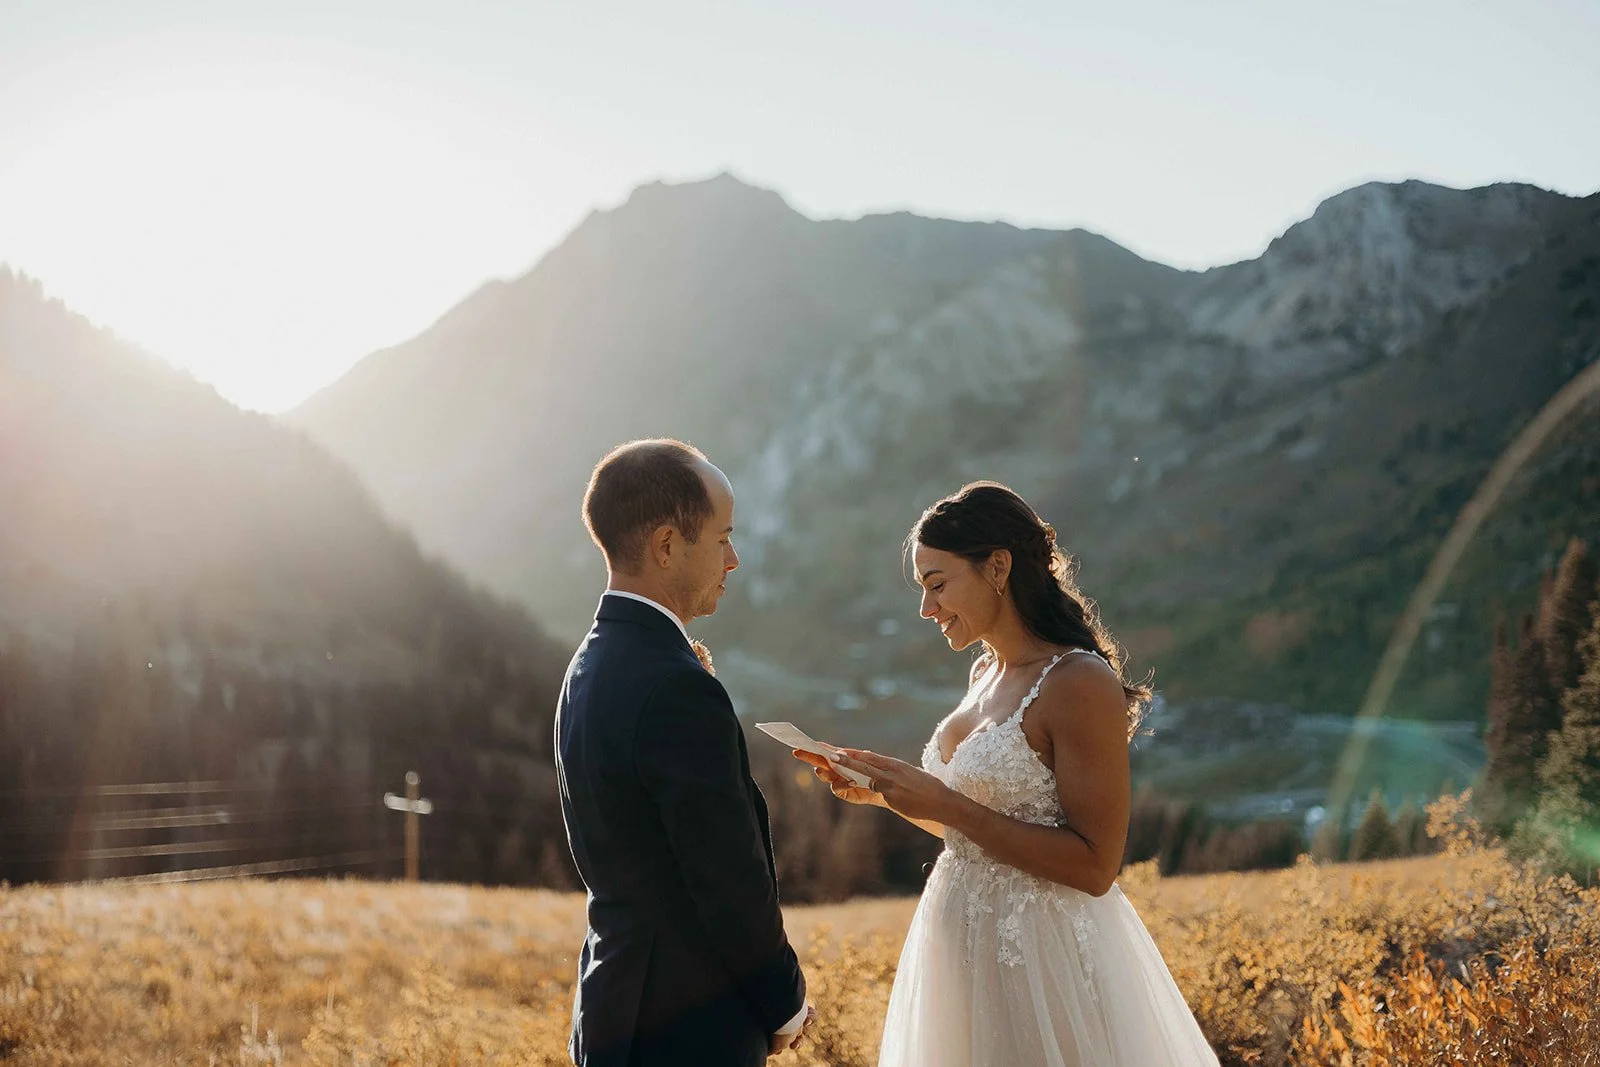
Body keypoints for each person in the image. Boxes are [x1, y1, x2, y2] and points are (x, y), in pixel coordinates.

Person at [800, 481, 1219, 1066]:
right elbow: (981, 839)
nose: (926, 609)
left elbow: (1095, 866)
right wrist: (890, 797)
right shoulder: (982, 674)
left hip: (1044, 965)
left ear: (998, 567)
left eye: (937, 585)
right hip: (960, 953)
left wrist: (942, 803)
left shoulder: (1077, 681)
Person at [557, 438, 814, 1066]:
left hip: (613, 1006)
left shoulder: (587, 664)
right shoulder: (675, 685)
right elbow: (726, 873)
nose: (734, 560)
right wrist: (783, 1001)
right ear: (668, 545)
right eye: (723, 538)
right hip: (685, 1025)